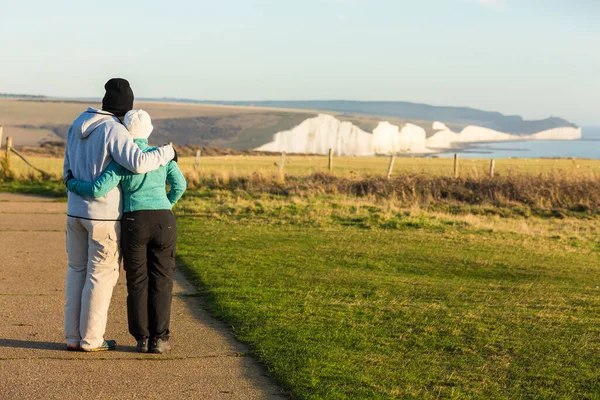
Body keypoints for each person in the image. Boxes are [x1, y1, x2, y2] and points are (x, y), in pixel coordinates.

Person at [63, 78, 176, 352]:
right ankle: (91, 340)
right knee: (100, 275)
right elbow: (138, 163)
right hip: (103, 216)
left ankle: (72, 337)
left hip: (75, 212)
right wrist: (167, 152)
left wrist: (74, 185)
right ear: (125, 110)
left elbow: (66, 169)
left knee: (76, 271)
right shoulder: (113, 129)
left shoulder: (76, 124)